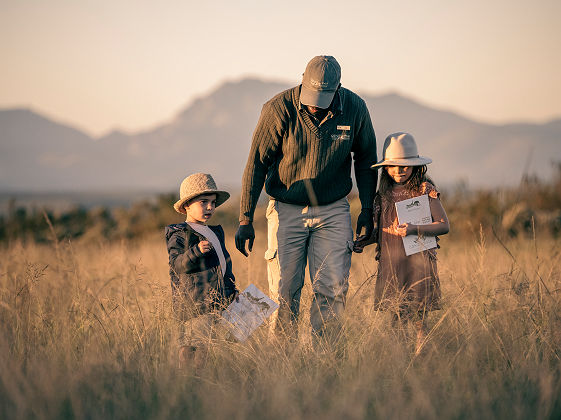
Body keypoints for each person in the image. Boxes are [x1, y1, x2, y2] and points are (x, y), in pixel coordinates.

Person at [235, 55, 378, 338]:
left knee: (332, 289)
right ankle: (281, 362)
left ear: (338, 88)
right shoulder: (278, 108)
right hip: (286, 208)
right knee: (284, 290)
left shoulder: (355, 108)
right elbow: (257, 163)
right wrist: (245, 218)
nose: (315, 103)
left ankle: (324, 362)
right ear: (302, 80)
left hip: (334, 208)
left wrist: (366, 209)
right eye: (312, 95)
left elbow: (366, 160)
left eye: (324, 96)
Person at [354, 132, 449, 353]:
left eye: (406, 166)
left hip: (418, 261)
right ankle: (399, 359)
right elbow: (382, 231)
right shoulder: (383, 196)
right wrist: (365, 241)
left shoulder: (424, 190)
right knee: (395, 315)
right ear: (385, 168)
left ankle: (421, 357)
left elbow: (444, 225)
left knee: (418, 316)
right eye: (394, 166)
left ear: (416, 167)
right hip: (392, 262)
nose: (399, 171)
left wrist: (415, 230)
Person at [165, 173, 237, 367]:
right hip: (195, 304)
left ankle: (198, 382)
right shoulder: (180, 232)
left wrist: (232, 291)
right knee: (190, 347)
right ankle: (186, 381)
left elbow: (222, 266)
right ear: (187, 205)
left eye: (213, 203)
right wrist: (195, 251)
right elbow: (177, 265)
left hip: (216, 302)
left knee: (204, 349)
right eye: (203, 202)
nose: (209, 207)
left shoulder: (214, 232)